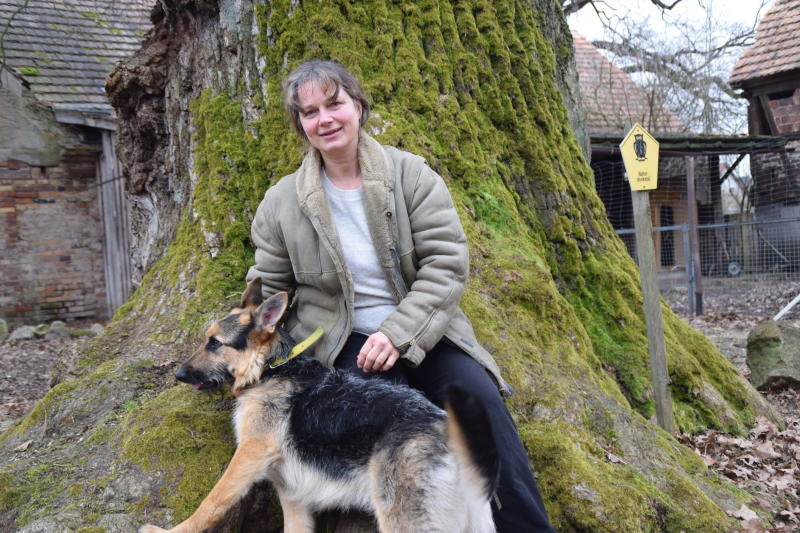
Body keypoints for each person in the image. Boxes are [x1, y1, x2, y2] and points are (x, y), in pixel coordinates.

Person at [246, 59, 556, 532]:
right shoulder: (281, 203)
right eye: (310, 112)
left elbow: (447, 262)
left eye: (335, 104)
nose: (325, 119)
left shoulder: (410, 174)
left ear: (358, 106)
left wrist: (398, 333)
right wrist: (235, 342)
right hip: (339, 341)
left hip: (424, 328)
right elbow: (268, 289)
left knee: (476, 400)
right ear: (301, 125)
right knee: (373, 423)